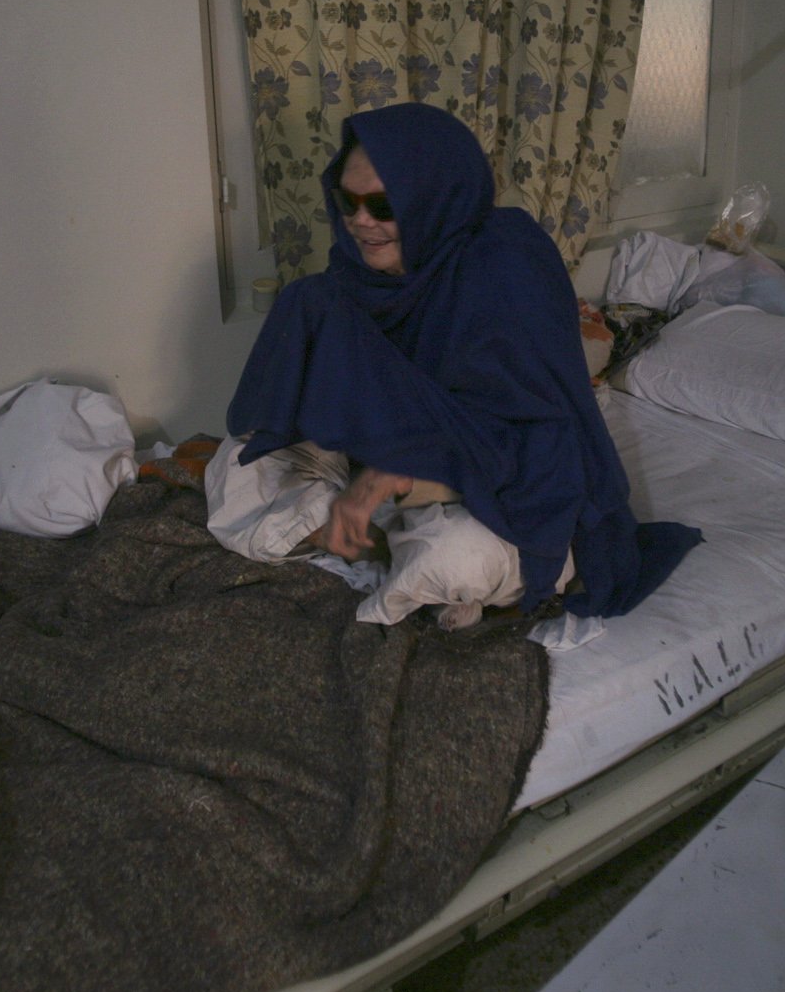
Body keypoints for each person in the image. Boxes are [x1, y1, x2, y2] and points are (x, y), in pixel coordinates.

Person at [227, 102, 699, 617]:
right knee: (236, 465)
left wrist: (393, 478)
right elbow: (339, 398)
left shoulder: (507, 269)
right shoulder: (356, 275)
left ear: (433, 199)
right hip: (393, 463)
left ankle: (371, 547)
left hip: (505, 485)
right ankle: (366, 537)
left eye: (384, 206)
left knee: (463, 557)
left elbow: (539, 448)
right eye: (348, 200)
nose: (361, 222)